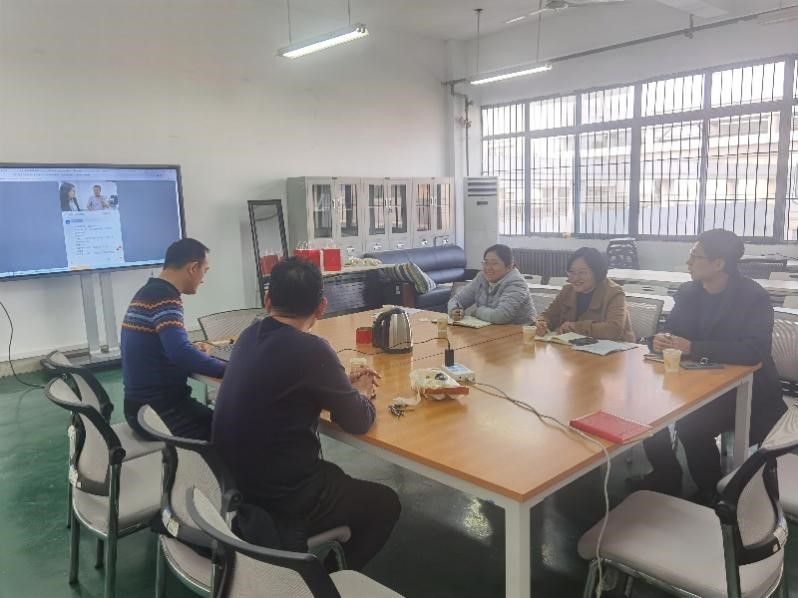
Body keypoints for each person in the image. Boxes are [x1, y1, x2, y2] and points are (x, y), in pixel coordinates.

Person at [212, 257, 400, 570]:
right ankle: (325, 579)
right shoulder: (313, 349)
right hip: (283, 495)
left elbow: (285, 389)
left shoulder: (247, 336)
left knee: (336, 477)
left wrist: (337, 386)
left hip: (233, 483)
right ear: (321, 307)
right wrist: (363, 392)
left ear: (267, 300)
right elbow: (358, 421)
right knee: (385, 503)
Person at [631, 229, 785, 504]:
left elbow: (753, 351)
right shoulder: (689, 292)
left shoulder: (752, 296)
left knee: (692, 426)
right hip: (694, 381)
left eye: (695, 256)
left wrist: (693, 347)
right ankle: (666, 473)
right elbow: (672, 330)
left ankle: (711, 491)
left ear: (719, 263)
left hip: (746, 391)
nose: (688, 262)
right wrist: (661, 339)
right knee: (645, 409)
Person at [121, 238, 225, 440]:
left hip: (141, 408)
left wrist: (192, 349)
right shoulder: (165, 298)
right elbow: (180, 353)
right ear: (193, 268)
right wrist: (230, 369)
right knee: (232, 430)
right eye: (205, 271)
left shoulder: (148, 292)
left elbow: (169, 347)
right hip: (159, 411)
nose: (203, 279)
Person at [534, 247, 635, 342]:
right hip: (575, 348)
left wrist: (575, 327)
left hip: (616, 350)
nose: (575, 278)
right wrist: (541, 323)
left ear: (596, 272)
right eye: (572, 272)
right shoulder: (567, 290)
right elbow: (549, 315)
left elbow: (613, 329)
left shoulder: (614, 292)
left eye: (582, 272)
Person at [448, 244, 536, 324]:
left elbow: (500, 316)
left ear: (509, 266)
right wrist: (454, 310)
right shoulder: (481, 277)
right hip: (490, 330)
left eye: (494, 263)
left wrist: (477, 312)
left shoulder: (517, 283)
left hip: (520, 332)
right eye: (486, 262)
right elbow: (457, 300)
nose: (488, 268)